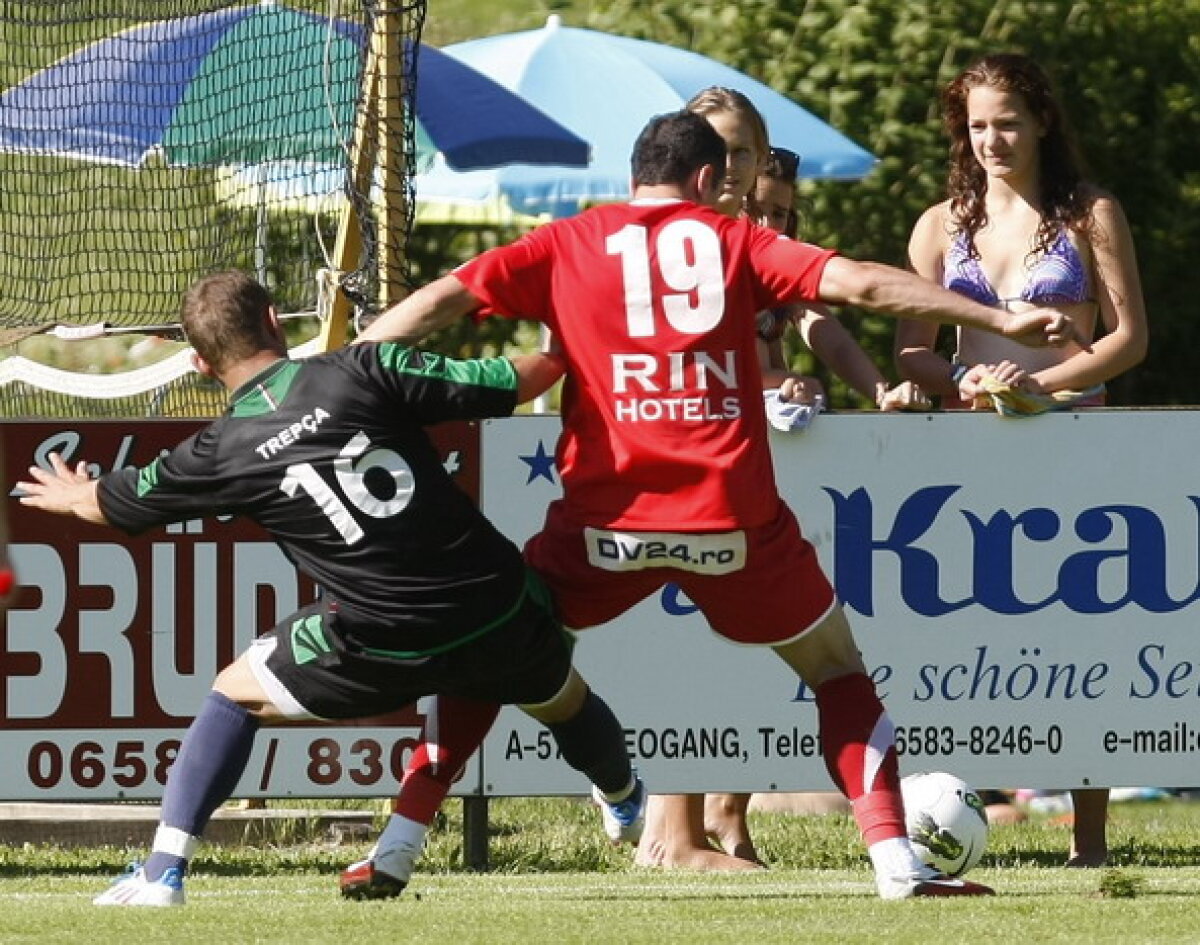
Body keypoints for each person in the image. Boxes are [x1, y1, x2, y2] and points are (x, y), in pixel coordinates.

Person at [354, 110, 1082, 899]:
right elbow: (866, 283)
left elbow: (441, 299)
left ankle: (396, 845)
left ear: (632, 175)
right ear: (706, 181)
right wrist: (1002, 318)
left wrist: (340, 371)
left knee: (491, 654)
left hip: (603, 525)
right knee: (839, 674)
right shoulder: (736, 241)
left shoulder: (563, 242)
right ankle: (897, 867)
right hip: (729, 523)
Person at [16, 270, 646, 907]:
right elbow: (525, 379)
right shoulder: (363, 369)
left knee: (234, 693)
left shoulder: (218, 451)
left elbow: (114, 504)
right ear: (273, 320)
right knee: (562, 698)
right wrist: (577, 333)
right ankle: (623, 797)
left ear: (203, 365)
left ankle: (164, 872)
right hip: (492, 605)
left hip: (380, 640)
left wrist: (73, 494)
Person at [643, 89, 930, 873]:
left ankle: (724, 824)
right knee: (687, 641)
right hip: (677, 467)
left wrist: (876, 387)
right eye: (718, 150)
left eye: (743, 153)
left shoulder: (758, 238)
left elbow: (821, 319)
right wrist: (763, 389)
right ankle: (671, 833)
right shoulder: (666, 241)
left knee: (763, 645)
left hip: (752, 467)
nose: (728, 167)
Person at [895, 53, 1148, 867]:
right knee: (956, 639)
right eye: (976, 126)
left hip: (1075, 444)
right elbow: (911, 354)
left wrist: (1048, 389)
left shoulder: (1091, 213)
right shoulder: (939, 226)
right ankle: (952, 819)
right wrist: (964, 376)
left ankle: (1092, 838)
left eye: (1007, 121)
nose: (992, 140)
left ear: (1042, 121)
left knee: (1084, 635)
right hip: (970, 453)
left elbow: (1128, 338)